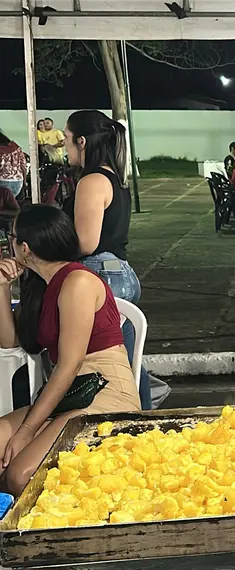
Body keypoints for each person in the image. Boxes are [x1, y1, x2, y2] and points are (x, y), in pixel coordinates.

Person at [0, 206, 140, 495]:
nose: (7, 244)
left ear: (25, 248)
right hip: (69, 393)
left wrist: (27, 430)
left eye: (10, 237)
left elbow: (69, 364)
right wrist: (1, 287)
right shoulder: (41, 284)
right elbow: (10, 342)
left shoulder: (77, 282)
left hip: (104, 393)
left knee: (20, 476)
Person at [61, 110, 153, 410]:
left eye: (66, 138)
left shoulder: (92, 180)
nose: (63, 145)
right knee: (124, 362)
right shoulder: (112, 176)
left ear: (82, 141)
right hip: (118, 274)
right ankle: (143, 416)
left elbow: (86, 242)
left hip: (100, 275)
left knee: (100, 363)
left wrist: (48, 249)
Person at [0, 129, 27, 198]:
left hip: (2, 182)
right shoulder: (16, 147)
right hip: (17, 183)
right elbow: (23, 166)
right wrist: (24, 182)